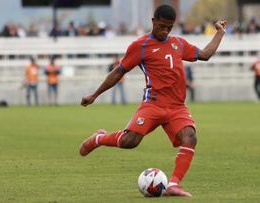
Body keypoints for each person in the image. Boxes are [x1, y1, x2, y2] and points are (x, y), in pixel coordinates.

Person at [79, 5, 227, 197]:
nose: (165, 31)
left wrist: (220, 33)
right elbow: (118, 72)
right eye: (162, 26)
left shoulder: (178, 44)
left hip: (177, 107)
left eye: (169, 27)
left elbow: (205, 55)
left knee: (190, 137)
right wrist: (94, 95)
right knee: (129, 141)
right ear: (153, 21)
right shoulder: (140, 46)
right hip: (153, 104)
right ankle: (98, 139)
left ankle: (173, 185)